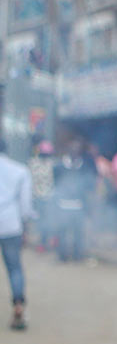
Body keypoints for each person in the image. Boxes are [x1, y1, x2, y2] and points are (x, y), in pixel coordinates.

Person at [0, 147, 33, 330]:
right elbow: (26, 205)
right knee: (14, 268)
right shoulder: (20, 170)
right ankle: (19, 306)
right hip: (11, 224)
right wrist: (25, 228)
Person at [52, 141, 95, 263]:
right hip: (62, 205)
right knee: (62, 233)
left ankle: (77, 256)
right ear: (68, 151)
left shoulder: (84, 167)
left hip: (79, 206)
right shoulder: (59, 167)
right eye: (72, 150)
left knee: (78, 233)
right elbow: (55, 185)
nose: (74, 152)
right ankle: (62, 256)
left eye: (77, 150)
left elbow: (88, 187)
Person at [27, 140, 55, 253]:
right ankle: (44, 242)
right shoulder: (52, 164)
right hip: (44, 198)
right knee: (45, 221)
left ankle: (44, 242)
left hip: (41, 198)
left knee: (43, 221)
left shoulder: (32, 163)